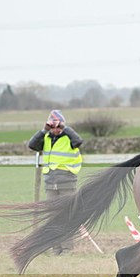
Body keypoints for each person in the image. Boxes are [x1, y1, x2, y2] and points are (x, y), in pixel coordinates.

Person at [27, 109, 83, 254]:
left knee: (66, 215)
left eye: (58, 126)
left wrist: (65, 128)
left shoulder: (69, 137)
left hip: (67, 181)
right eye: (53, 126)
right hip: (50, 183)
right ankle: (55, 248)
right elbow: (32, 145)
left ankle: (67, 248)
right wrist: (44, 130)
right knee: (53, 216)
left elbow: (79, 141)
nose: (56, 129)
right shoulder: (45, 138)